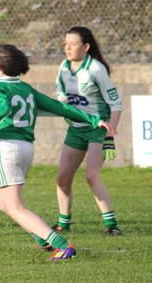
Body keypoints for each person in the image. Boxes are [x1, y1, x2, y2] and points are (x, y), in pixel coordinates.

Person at [0, 43, 117, 260]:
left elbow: (0, 108)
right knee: (3, 203)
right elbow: (60, 107)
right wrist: (94, 119)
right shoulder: (26, 89)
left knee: (16, 206)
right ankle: (42, 240)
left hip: (7, 147)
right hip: (26, 149)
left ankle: (61, 244)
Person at [52, 26, 123, 235]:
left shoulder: (96, 69)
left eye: (73, 44)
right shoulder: (63, 67)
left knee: (92, 175)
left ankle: (111, 226)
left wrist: (110, 136)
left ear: (86, 47)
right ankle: (63, 224)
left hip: (98, 129)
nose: (68, 48)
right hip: (75, 130)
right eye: (65, 43)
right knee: (62, 178)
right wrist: (62, 101)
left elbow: (116, 104)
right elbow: (60, 92)